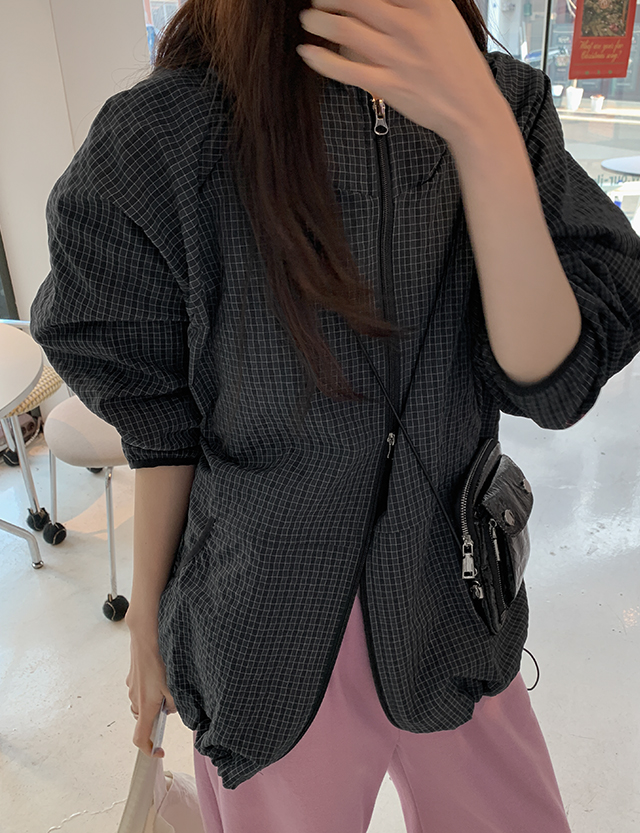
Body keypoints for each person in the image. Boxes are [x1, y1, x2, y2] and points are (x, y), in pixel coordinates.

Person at [30, 0, 640, 831]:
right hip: (263, 627)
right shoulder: (171, 134)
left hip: (453, 607)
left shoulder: (503, 102)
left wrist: (479, 124)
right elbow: (162, 423)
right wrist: (147, 618)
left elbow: (553, 384)